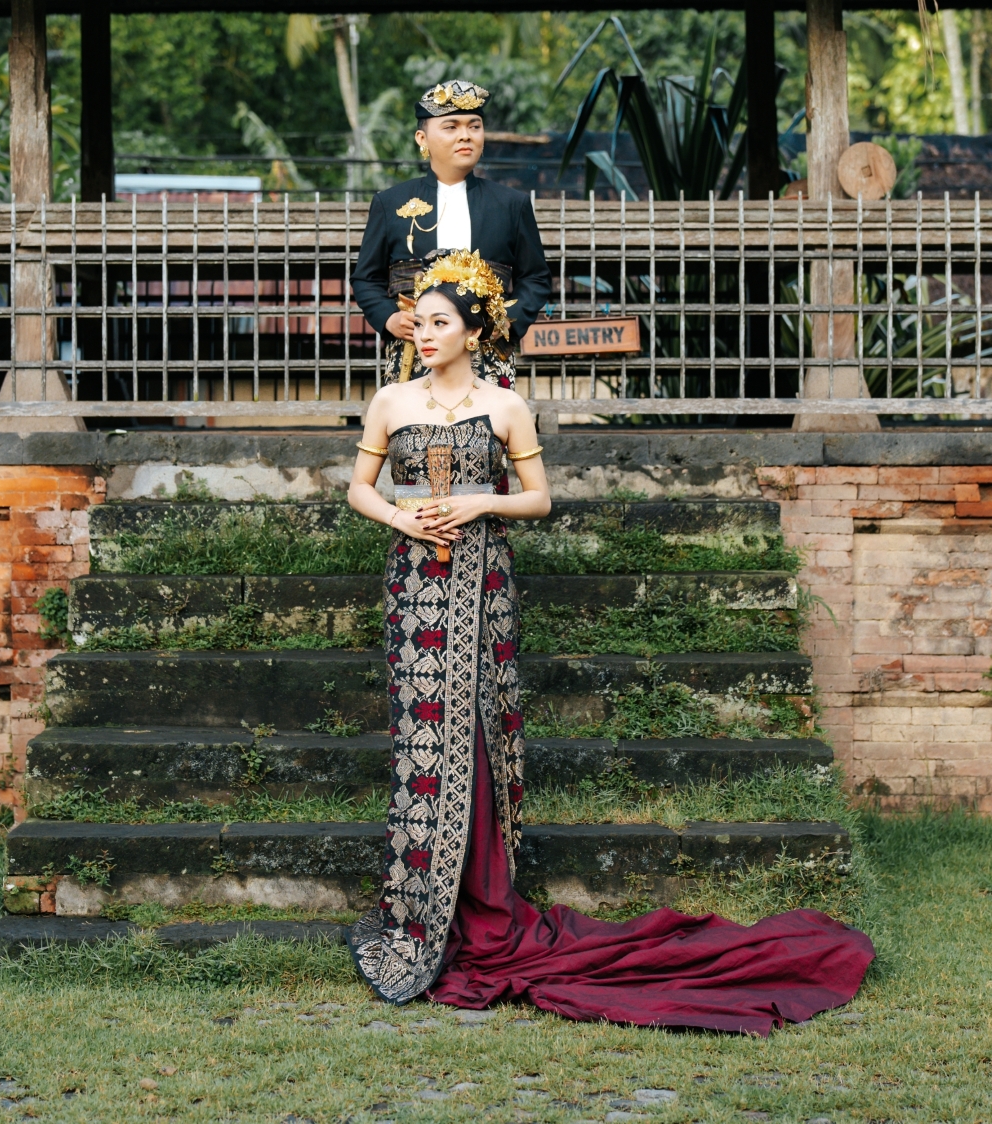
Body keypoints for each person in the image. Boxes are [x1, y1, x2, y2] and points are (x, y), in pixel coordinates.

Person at [344, 250, 875, 1035]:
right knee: (422, 740)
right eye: (418, 322)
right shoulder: (390, 401)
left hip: (484, 584)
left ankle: (482, 898)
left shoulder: (506, 406)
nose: (423, 334)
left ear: (474, 331)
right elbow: (359, 487)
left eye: (439, 322)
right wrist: (402, 516)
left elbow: (539, 499)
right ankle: (419, 907)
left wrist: (479, 504)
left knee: (481, 733)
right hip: (414, 585)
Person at [350, 79, 552, 387]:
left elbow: (535, 277)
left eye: (474, 126)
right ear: (423, 138)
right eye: (451, 127)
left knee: (487, 418)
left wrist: (507, 322)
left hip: (487, 351)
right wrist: (389, 318)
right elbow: (366, 279)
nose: (465, 135)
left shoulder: (512, 204)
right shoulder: (390, 204)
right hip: (414, 350)